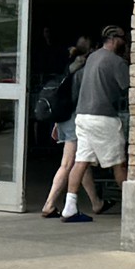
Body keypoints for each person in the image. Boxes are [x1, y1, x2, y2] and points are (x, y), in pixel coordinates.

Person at [59, 25, 128, 222]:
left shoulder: (93, 57)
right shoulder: (117, 62)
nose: (125, 43)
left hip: (82, 116)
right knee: (119, 164)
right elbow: (128, 88)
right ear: (115, 40)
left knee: (81, 161)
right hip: (103, 118)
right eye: (124, 39)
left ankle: (69, 208)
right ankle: (133, 207)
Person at [39, 35, 96, 218]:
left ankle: (97, 202)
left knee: (81, 162)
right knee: (68, 163)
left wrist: (57, 122)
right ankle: (49, 204)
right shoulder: (83, 68)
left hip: (63, 118)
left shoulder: (68, 65)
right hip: (74, 118)